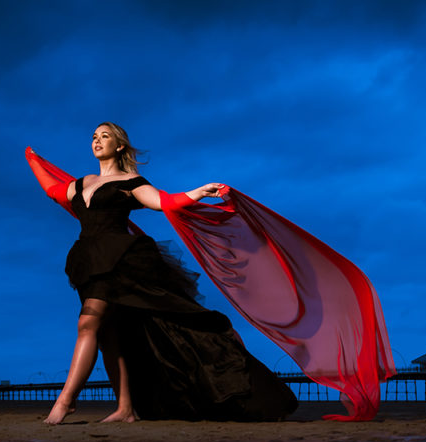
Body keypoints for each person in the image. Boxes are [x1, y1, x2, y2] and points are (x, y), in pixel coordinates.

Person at [39, 122, 298, 425]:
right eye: (94, 137)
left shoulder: (131, 182)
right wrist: (31, 157)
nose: (97, 141)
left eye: (105, 136)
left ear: (119, 145)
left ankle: (65, 401)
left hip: (121, 259)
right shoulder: (81, 184)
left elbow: (163, 201)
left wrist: (198, 192)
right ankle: (125, 409)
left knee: (89, 320)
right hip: (88, 261)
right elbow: (51, 189)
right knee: (109, 333)